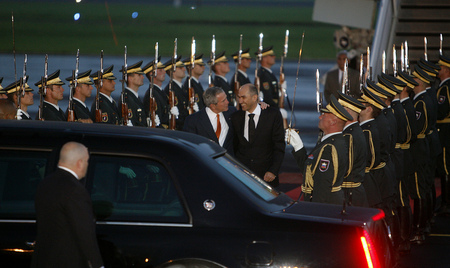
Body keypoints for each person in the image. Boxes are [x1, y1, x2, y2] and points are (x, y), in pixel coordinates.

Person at [31, 142, 104, 268]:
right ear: (80, 163)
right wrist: (97, 264)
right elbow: (84, 233)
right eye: (86, 161)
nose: (87, 165)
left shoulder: (45, 184)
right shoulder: (75, 191)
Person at [286, 94, 351, 204]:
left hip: (325, 205)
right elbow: (310, 172)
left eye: (324, 115)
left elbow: (322, 186)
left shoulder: (329, 148)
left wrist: (315, 209)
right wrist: (298, 147)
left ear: (333, 122)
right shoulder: (329, 142)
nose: (320, 117)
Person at [232, 84, 285, 188]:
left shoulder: (272, 115)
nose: (240, 101)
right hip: (242, 178)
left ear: (255, 97)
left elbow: (279, 146)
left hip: (266, 177)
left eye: (243, 97)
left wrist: (273, 171)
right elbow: (234, 146)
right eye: (239, 97)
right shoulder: (235, 117)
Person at [337, 92, 369, 207]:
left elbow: (347, 168)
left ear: (348, 112)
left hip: (349, 192)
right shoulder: (354, 131)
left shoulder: (349, 135)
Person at [183, 87, 235, 154]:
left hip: (228, 161)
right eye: (223, 101)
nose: (227, 102)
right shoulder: (193, 120)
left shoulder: (232, 112)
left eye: (226, 98)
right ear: (213, 106)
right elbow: (189, 146)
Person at [436, 54, 450, 214]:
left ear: (446, 70)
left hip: (445, 131)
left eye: (440, 67)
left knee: (445, 167)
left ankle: (446, 202)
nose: (438, 70)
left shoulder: (445, 88)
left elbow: (442, 111)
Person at [119, 61, 147, 127]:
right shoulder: (127, 98)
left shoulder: (134, 97)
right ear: (130, 78)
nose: (142, 77)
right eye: (139, 75)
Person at [163, 56, 186, 130]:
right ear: (173, 71)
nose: (184, 69)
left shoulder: (182, 88)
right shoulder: (171, 90)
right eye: (180, 68)